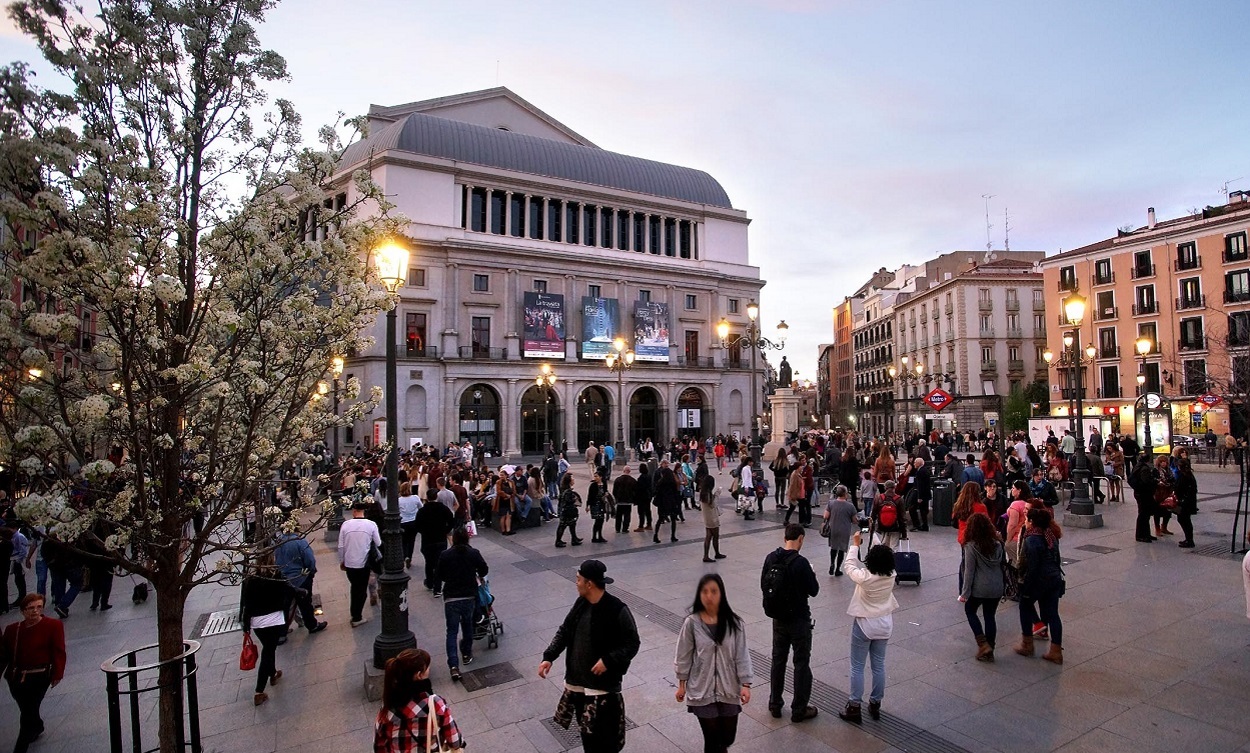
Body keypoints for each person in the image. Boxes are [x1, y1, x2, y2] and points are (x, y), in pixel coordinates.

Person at [539, 560, 640, 753]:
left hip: (602, 691)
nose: (576, 583)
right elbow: (565, 630)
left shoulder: (617, 609)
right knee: (588, 740)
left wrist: (608, 660)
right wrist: (549, 657)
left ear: (589, 584)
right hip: (578, 686)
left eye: (578, 580)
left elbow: (632, 643)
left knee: (606, 743)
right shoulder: (581, 603)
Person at [674, 573, 752, 753]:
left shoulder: (735, 623)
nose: (709, 596)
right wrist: (681, 684)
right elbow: (683, 654)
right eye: (705, 591)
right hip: (701, 689)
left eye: (714, 591)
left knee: (727, 737)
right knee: (712, 740)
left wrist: (746, 684)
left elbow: (742, 654)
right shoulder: (692, 623)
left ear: (721, 594)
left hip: (729, 688)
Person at [761, 523, 820, 723]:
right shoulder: (801, 563)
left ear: (784, 537)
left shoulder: (770, 558)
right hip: (799, 620)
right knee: (801, 662)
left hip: (778, 619)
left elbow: (764, 585)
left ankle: (775, 704)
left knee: (778, 660)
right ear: (801, 538)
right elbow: (814, 590)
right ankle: (799, 709)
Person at [837, 531, 898, 724]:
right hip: (884, 623)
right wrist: (873, 534)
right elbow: (881, 552)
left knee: (857, 666)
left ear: (870, 560)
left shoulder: (864, 577)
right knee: (878, 665)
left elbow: (848, 565)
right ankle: (875, 703)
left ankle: (854, 706)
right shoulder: (891, 575)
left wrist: (855, 544)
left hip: (864, 624)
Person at [0, 594, 65, 752]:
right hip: (17, 678)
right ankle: (37, 726)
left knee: (28, 712)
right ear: (23, 611)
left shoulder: (53, 625)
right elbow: (4, 656)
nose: (35, 611)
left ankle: (21, 747)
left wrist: (58, 674)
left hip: (40, 676)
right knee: (27, 708)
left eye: (39, 607)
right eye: (31, 608)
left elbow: (59, 651)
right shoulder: (12, 630)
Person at [374, 648, 465, 752]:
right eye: (428, 668)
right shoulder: (434, 703)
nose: (429, 670)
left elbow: (379, 747)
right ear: (419, 675)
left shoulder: (388, 707)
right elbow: (455, 741)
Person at [240, 558, 298, 705]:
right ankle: (259, 691)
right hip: (274, 619)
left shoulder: (250, 580)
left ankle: (273, 674)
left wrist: (246, 624)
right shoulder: (276, 575)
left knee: (268, 647)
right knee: (268, 651)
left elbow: (246, 603)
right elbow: (289, 588)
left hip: (257, 622)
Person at [436, 526, 489, 682]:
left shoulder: (445, 555)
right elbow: (484, 570)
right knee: (467, 626)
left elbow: (440, 575)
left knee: (451, 632)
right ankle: (466, 653)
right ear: (467, 538)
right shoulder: (473, 553)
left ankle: (453, 665)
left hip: (451, 597)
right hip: (469, 596)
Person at [1014, 507, 1065, 664]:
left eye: (1027, 519)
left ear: (1032, 522)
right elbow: (1057, 558)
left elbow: (1032, 566)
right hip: (1054, 578)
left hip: (1039, 580)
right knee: (1053, 614)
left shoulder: (1031, 539)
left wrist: (1026, 587)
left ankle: (1027, 644)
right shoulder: (1051, 536)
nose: (1025, 522)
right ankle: (1056, 651)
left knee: (1025, 606)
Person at [958, 513, 1005, 662]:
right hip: (997, 585)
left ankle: (983, 644)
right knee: (990, 616)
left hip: (979, 587)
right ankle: (990, 649)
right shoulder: (997, 544)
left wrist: (964, 593)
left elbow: (969, 571)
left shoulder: (971, 546)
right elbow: (1002, 564)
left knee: (970, 611)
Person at [274, 529, 327, 634]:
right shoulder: (300, 541)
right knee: (305, 604)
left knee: (285, 606)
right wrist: (311, 571)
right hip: (300, 578)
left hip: (284, 579)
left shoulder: (278, 543)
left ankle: (282, 631)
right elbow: (309, 559)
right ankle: (312, 625)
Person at [338, 500, 382, 627]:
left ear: (354, 511)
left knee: (354, 587)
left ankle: (355, 613)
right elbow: (378, 543)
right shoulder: (371, 524)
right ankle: (357, 616)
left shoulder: (345, 525)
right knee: (361, 589)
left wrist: (342, 560)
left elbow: (341, 546)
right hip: (364, 562)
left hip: (350, 562)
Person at [413, 488, 454, 596]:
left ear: (427, 497)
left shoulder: (422, 511)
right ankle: (437, 588)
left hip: (427, 540)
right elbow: (451, 521)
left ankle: (430, 582)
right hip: (440, 539)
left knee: (429, 562)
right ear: (436, 497)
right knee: (438, 563)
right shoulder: (443, 509)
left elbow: (417, 525)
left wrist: (424, 532)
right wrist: (445, 530)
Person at [822, 485, 859, 576]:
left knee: (833, 547)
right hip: (844, 529)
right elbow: (855, 520)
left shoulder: (831, 503)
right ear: (845, 494)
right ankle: (838, 569)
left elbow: (825, 516)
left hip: (833, 528)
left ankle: (831, 564)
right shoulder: (850, 506)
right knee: (841, 549)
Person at [1127, 455, 1159, 543]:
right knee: (1144, 514)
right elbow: (1146, 481)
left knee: (1144, 514)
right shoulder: (1144, 469)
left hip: (1139, 493)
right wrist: (1155, 481)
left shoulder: (1137, 466)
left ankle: (1146, 533)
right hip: (1144, 493)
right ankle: (1142, 535)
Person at [870, 480, 906, 548]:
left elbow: (873, 513)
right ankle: (893, 557)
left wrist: (872, 527)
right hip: (896, 527)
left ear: (885, 488)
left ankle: (885, 558)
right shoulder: (899, 499)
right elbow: (902, 517)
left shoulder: (879, 498)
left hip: (883, 526)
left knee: (884, 545)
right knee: (894, 546)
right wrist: (904, 533)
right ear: (894, 487)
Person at [950, 481, 987, 546]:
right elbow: (985, 523)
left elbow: (954, 519)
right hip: (976, 538)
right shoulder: (981, 507)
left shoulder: (958, 505)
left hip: (962, 536)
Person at [699, 476, 726, 563]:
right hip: (712, 517)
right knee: (715, 536)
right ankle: (716, 553)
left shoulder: (703, 492)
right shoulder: (707, 494)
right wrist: (717, 493)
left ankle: (706, 555)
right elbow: (712, 504)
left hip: (706, 517)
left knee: (708, 536)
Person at [653, 462, 681, 544]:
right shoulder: (672, 482)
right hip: (671, 502)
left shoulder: (660, 482)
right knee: (673, 520)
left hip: (662, 502)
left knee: (660, 519)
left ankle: (656, 535)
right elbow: (676, 492)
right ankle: (673, 536)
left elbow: (656, 492)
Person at [1173, 459, 1198, 548]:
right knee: (1186, 520)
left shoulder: (1183, 476)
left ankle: (1189, 540)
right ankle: (1188, 539)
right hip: (1189, 502)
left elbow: (1178, 488)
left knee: (1184, 520)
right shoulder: (1189, 475)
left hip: (1184, 502)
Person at [555, 474, 584, 548]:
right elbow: (568, 501)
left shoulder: (565, 489)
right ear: (569, 481)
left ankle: (574, 538)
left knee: (572, 524)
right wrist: (574, 500)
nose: (573, 480)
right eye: (572, 479)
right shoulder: (567, 491)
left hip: (565, 511)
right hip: (566, 512)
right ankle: (558, 541)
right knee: (563, 526)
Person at [903, 457, 932, 531]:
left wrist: (919, 497)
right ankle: (924, 525)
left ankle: (917, 525)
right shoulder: (924, 470)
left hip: (921, 494)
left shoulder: (920, 472)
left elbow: (921, 485)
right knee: (923, 511)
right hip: (925, 494)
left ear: (919, 463)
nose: (914, 463)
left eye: (915, 462)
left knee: (912, 508)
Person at [398, 481, 422, 568]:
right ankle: (409, 556)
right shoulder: (415, 498)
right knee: (411, 541)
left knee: (403, 541)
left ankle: (405, 555)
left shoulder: (399, 500)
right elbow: (421, 507)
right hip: (413, 521)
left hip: (403, 522)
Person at [1152, 455, 1176, 537]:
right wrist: (1159, 482)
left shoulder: (1169, 470)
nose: (1164, 463)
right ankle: (1157, 528)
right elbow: (1153, 480)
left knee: (1167, 512)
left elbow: (1173, 479)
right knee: (1157, 512)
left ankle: (1164, 527)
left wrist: (1169, 484)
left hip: (1167, 492)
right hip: (1159, 494)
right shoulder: (1155, 470)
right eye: (1162, 462)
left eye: (1165, 462)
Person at [612, 466, 636, 534]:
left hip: (619, 501)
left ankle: (617, 528)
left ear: (623, 471)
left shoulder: (618, 479)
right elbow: (635, 491)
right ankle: (625, 529)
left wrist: (616, 498)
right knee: (627, 515)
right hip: (628, 501)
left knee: (618, 515)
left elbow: (614, 491)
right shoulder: (633, 480)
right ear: (629, 471)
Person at [587, 471, 609, 544]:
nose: (595, 478)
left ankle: (600, 535)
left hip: (601, 504)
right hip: (595, 504)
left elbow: (605, 491)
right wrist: (588, 505)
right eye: (595, 476)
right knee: (597, 521)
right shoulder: (593, 485)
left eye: (596, 476)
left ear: (601, 477)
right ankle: (594, 537)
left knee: (601, 520)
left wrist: (606, 495)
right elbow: (589, 496)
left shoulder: (604, 484)